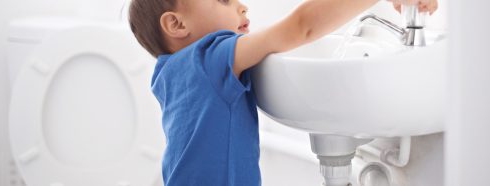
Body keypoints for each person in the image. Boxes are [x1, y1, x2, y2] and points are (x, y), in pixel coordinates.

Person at [128, 0, 438, 185]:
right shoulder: (209, 57)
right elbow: (301, 27)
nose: (241, 5)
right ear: (176, 23)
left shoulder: (170, 72)